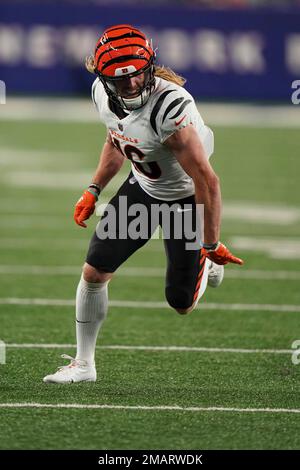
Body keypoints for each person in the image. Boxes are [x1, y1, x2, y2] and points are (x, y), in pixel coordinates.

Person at [43, 24, 243, 384]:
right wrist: (93, 189)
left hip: (184, 200)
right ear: (103, 78)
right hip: (144, 188)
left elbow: (207, 181)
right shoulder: (101, 95)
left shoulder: (170, 106)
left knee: (181, 303)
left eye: (136, 75)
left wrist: (210, 244)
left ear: (149, 67)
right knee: (94, 273)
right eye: (121, 80)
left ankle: (207, 268)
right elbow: (117, 139)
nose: (131, 85)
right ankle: (84, 364)